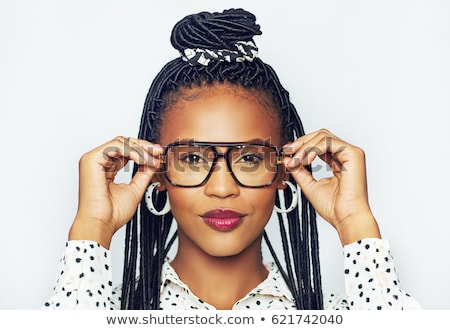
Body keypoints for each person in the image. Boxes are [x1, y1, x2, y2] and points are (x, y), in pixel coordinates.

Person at [42, 8, 420, 310]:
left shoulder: (335, 315)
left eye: (250, 159)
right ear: (155, 170)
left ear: (284, 170)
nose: (222, 188)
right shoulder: (102, 312)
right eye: (191, 158)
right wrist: (93, 226)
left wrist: (355, 222)